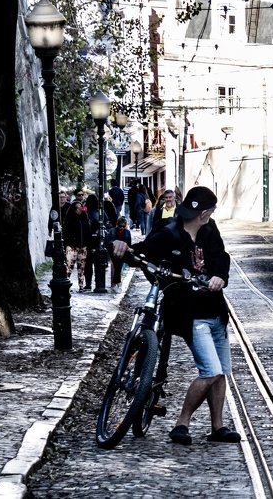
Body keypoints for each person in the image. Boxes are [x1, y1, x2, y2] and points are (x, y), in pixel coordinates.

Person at [110, 185, 241, 446]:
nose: (212, 215)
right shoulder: (169, 232)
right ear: (204, 213)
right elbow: (143, 252)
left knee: (221, 372)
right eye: (211, 211)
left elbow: (220, 258)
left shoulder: (210, 231)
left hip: (216, 311)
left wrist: (219, 277)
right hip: (191, 313)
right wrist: (120, 245)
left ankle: (218, 427)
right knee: (210, 370)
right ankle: (182, 424)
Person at [62, 189, 90, 290]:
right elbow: (66, 233)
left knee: (81, 268)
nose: (79, 209)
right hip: (72, 246)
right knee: (69, 267)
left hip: (83, 247)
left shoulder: (84, 219)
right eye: (77, 208)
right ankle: (66, 284)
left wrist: (86, 244)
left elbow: (88, 232)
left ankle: (81, 286)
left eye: (80, 208)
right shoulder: (70, 220)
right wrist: (69, 242)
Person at [104, 216, 132, 289]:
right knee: (117, 266)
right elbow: (107, 241)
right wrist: (114, 244)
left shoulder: (127, 232)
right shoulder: (112, 231)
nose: (121, 228)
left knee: (118, 266)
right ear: (117, 225)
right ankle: (117, 283)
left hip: (123, 251)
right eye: (120, 226)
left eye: (123, 226)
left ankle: (115, 282)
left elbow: (129, 243)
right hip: (113, 251)